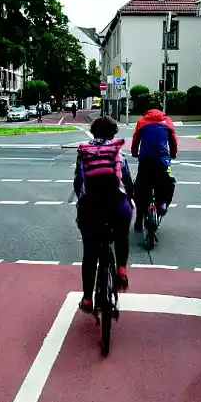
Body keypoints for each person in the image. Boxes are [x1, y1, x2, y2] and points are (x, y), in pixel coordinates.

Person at [72, 116, 135, 313]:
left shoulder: (84, 152)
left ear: (93, 132)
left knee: (90, 252)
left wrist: (81, 198)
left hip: (90, 208)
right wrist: (130, 199)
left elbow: (78, 181)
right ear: (113, 133)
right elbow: (126, 180)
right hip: (115, 206)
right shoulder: (117, 152)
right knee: (121, 234)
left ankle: (87, 298)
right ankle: (122, 269)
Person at [131, 104, 178, 232]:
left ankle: (139, 218)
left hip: (145, 159)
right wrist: (173, 153)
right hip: (163, 160)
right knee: (168, 182)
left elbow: (135, 140)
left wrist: (135, 152)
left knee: (140, 186)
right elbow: (173, 141)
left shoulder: (142, 122)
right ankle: (163, 203)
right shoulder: (167, 122)